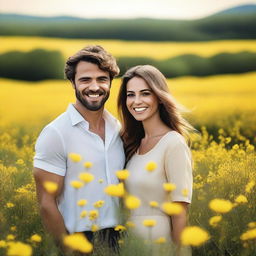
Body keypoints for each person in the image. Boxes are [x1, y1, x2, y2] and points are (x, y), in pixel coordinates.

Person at [33, 45, 125, 254]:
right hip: (80, 240)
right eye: (85, 80)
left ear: (111, 82)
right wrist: (69, 249)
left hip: (121, 237)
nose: (95, 87)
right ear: (72, 82)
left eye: (102, 79)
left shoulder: (118, 128)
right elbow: (47, 203)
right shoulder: (55, 133)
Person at [117, 65, 194, 254]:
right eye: (130, 95)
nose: (136, 101)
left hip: (160, 245)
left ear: (159, 97)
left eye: (145, 93)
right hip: (131, 245)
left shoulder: (173, 143)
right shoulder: (131, 143)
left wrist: (180, 252)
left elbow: (180, 210)